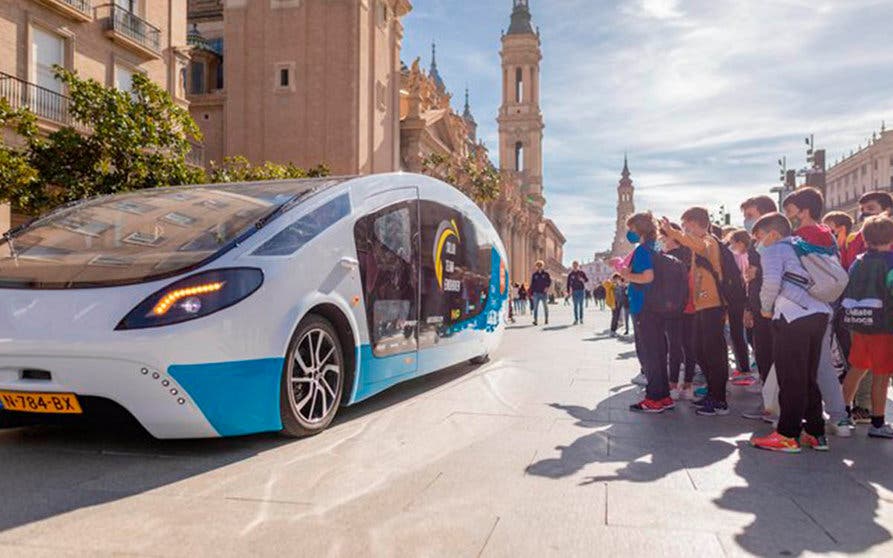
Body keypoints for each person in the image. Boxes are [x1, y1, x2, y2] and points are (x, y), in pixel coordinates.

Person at [750, 213, 831, 453]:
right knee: (807, 375)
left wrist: (765, 308)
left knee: (790, 376)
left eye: (760, 237)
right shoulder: (802, 246)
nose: (758, 243)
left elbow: (771, 284)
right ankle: (815, 432)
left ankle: (787, 434)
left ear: (773, 234)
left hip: (792, 315)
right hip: (818, 313)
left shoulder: (774, 250)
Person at [782, 187, 851, 437]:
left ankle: (836, 416)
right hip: (828, 302)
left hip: (805, 305)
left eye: (791, 211)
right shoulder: (828, 234)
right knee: (820, 361)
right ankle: (837, 416)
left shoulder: (800, 237)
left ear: (804, 210)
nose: (790, 217)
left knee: (816, 363)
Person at [660, 207, 730, 416]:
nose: (685, 231)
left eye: (687, 226)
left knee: (714, 353)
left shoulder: (708, 242)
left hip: (713, 305)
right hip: (701, 306)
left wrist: (672, 232)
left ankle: (719, 400)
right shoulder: (697, 247)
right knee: (701, 350)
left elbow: (696, 243)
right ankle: (712, 393)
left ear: (700, 224)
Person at [841, 191, 893, 422]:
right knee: (881, 375)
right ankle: (878, 421)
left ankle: (841, 412)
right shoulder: (890, 263)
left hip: (859, 321)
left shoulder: (858, 261)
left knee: (857, 368)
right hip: (884, 325)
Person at [623, 213, 674, 413]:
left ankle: (654, 398)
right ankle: (664, 396)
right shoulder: (657, 248)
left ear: (640, 230)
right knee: (659, 351)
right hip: (657, 306)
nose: (630, 233)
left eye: (632, 229)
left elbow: (647, 277)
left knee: (649, 352)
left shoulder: (643, 250)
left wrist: (628, 275)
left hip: (644, 306)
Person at [739, 195, 779, 422]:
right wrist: (748, 308)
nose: (747, 221)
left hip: (772, 308)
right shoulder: (756, 245)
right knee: (763, 355)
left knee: (771, 356)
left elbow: (773, 275)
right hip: (758, 307)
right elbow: (751, 280)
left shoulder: (777, 243)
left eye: (750, 216)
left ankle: (773, 406)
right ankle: (769, 402)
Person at [661, 224, 696, 400]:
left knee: (674, 345)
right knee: (688, 346)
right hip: (690, 305)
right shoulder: (690, 254)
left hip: (674, 306)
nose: (662, 241)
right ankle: (688, 385)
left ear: (673, 238)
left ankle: (673, 384)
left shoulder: (666, 258)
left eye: (664, 237)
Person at [842, 191, 893, 270]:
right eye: (862, 210)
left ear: (887, 210)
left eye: (870, 208)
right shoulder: (851, 240)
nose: (864, 213)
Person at [530, 261, 552, 326]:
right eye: (538, 265)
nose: (539, 267)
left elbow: (549, 281)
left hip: (543, 293)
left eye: (540, 265)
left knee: (545, 307)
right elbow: (532, 284)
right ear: (536, 266)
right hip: (536, 293)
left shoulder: (546, 274)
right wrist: (531, 293)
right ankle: (535, 320)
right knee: (535, 308)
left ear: (542, 266)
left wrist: (547, 287)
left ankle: (546, 319)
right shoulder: (534, 275)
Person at [567, 261, 589, 325]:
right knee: (575, 306)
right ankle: (576, 319)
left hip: (581, 291)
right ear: (572, 266)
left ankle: (581, 318)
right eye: (574, 265)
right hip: (574, 291)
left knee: (581, 306)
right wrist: (568, 291)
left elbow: (587, 280)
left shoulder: (581, 273)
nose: (575, 266)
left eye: (576, 265)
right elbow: (568, 283)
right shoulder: (571, 274)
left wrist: (583, 280)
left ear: (578, 265)